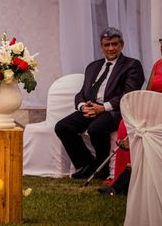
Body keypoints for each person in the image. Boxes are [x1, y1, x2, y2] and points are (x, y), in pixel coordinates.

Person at [55, 27, 145, 180]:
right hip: (91, 108)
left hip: (115, 110)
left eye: (114, 44)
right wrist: (83, 106)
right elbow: (82, 93)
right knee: (63, 127)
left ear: (121, 45)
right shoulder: (93, 66)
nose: (111, 48)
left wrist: (103, 108)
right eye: (107, 45)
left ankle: (101, 169)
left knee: (96, 128)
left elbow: (129, 95)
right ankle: (89, 165)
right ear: (101, 46)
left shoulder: (132, 65)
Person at [97, 36, 162, 196]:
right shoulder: (158, 65)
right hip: (155, 108)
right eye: (161, 43)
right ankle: (124, 176)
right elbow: (147, 92)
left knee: (144, 130)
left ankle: (126, 181)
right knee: (125, 125)